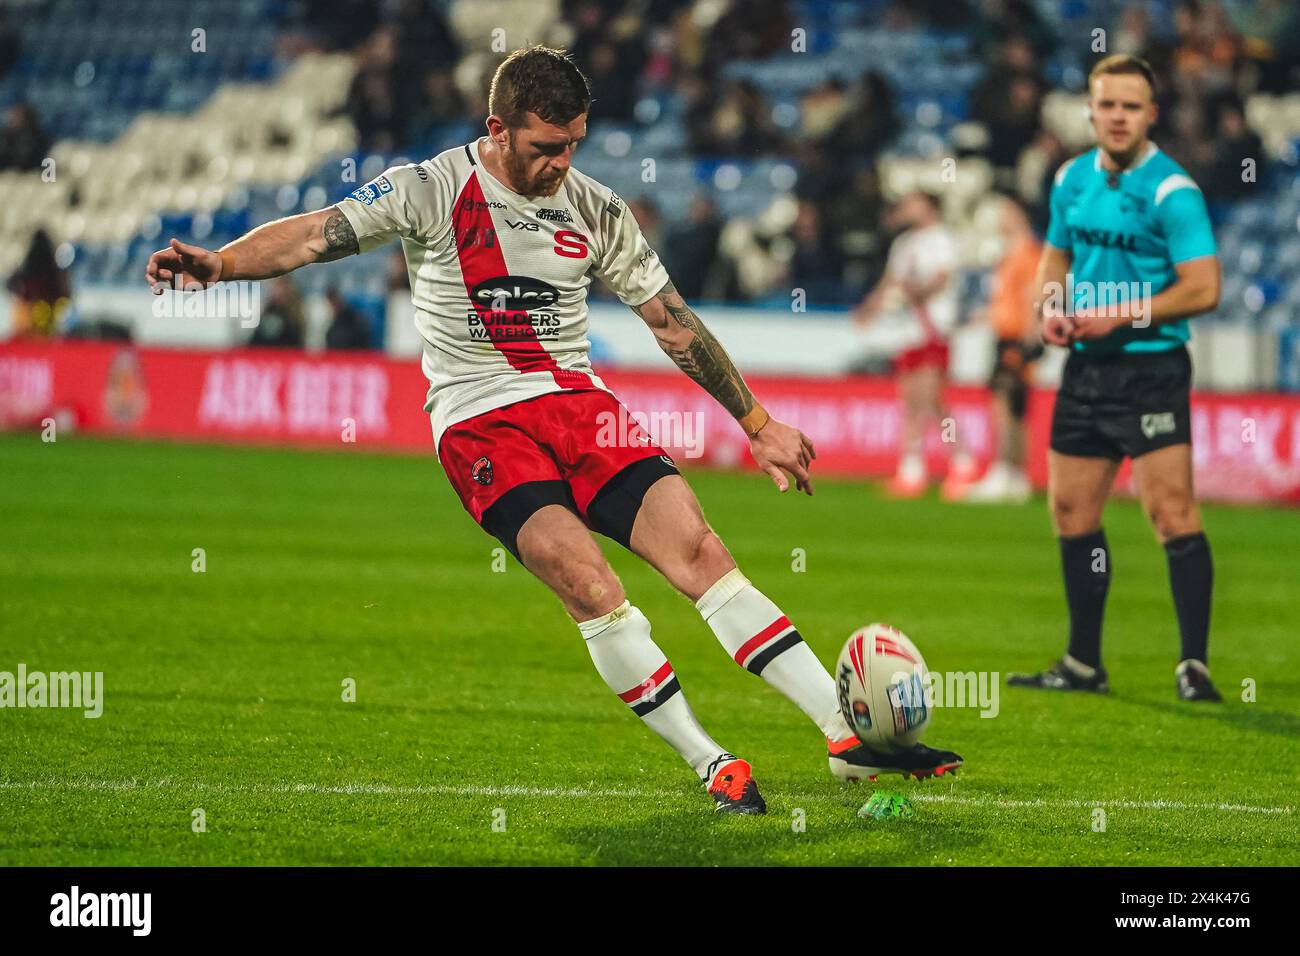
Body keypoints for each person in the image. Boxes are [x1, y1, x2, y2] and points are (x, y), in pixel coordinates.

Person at [145, 46, 963, 814]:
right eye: (545, 146)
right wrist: (219, 265)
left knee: (702, 554)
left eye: (573, 143)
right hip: (478, 421)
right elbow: (311, 235)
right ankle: (710, 760)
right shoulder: (428, 187)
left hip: (578, 405)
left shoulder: (594, 209)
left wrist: (755, 420)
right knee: (591, 585)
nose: (561, 162)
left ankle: (845, 736)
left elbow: (671, 322)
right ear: (496, 129)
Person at [1008, 55, 1223, 702]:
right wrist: (1051, 310)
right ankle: (1082, 663)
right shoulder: (1072, 178)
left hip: (1152, 370)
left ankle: (1194, 664)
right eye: (1107, 105)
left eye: (1131, 106)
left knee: (1170, 511)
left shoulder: (1173, 191)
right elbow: (1054, 258)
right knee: (1071, 511)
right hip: (1088, 370)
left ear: (1151, 114)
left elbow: (1205, 287)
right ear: (1091, 110)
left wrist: (1117, 315)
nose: (1118, 117)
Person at [854, 190, 977, 499]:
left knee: (924, 400)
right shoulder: (904, 243)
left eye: (913, 203)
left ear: (930, 206)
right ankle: (957, 462)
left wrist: (912, 292)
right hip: (907, 330)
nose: (907, 209)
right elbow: (890, 281)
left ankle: (919, 468)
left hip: (932, 327)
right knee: (922, 400)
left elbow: (941, 278)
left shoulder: (941, 240)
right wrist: (871, 305)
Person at [961, 193, 1043, 503]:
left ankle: (1006, 471)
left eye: (1006, 212)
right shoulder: (1010, 255)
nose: (1000, 220)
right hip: (1005, 333)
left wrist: (1030, 340)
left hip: (1015, 337)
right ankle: (1013, 476)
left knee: (1008, 407)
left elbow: (1034, 297)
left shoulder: (1029, 254)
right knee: (1010, 405)